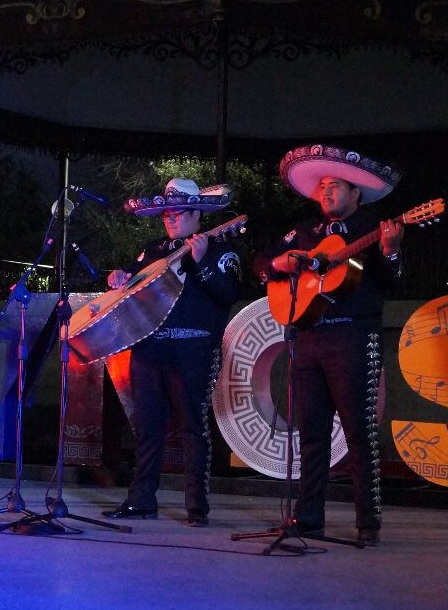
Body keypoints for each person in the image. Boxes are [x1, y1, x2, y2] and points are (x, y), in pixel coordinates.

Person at [260, 145, 403, 548]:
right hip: (309, 339)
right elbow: (262, 263)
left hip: (355, 338)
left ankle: (368, 523)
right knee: (312, 433)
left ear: (356, 193)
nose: (326, 192)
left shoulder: (372, 229)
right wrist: (281, 263)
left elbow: (394, 285)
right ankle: (309, 518)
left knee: (360, 432)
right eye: (322, 186)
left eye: (335, 186)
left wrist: (391, 252)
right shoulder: (303, 233)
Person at [99, 178, 244, 526]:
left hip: (193, 349)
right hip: (150, 348)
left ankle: (197, 507)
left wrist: (201, 261)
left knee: (193, 427)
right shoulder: (153, 250)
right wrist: (118, 277)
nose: (170, 219)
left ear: (197, 213)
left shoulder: (220, 249)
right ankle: (141, 500)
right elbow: (131, 281)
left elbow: (228, 293)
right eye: (166, 213)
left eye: (178, 212)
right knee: (147, 427)